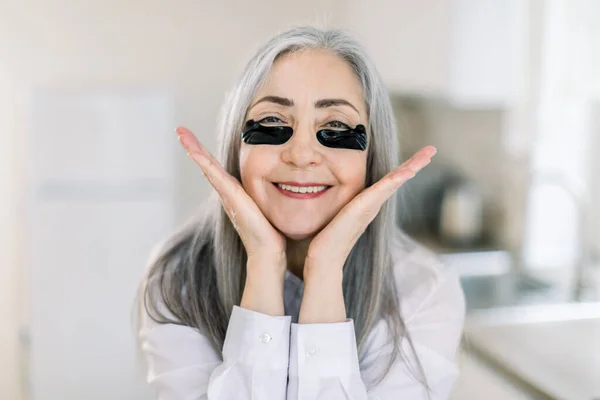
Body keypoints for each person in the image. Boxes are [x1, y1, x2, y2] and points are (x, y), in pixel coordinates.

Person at [135, 25, 465, 400]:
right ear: (235, 148)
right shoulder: (177, 277)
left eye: (336, 128)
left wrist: (325, 270)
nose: (302, 154)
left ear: (372, 156)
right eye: (273, 124)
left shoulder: (422, 291)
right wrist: (263, 263)